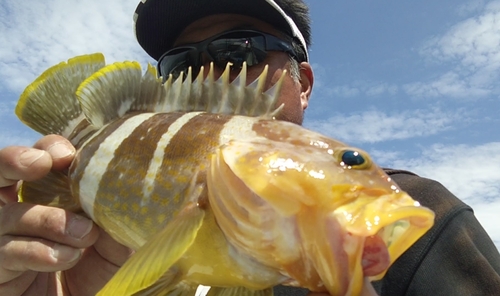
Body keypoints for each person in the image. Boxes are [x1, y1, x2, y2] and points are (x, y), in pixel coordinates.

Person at [1, 0, 500, 295]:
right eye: (180, 64)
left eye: (240, 51)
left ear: (302, 82)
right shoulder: (87, 252)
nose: (211, 74)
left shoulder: (425, 223)